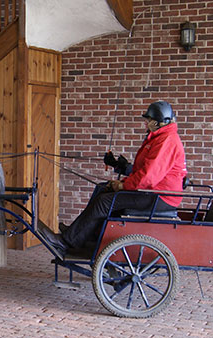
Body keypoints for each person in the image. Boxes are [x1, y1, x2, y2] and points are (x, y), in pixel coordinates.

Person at [43, 101, 186, 253]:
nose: (146, 123)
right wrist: (121, 176)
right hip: (152, 191)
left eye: (149, 120)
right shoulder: (160, 138)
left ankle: (68, 241)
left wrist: (123, 186)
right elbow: (144, 171)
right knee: (102, 189)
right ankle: (84, 236)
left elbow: (149, 177)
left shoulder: (166, 141)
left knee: (105, 202)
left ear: (158, 122)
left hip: (160, 196)